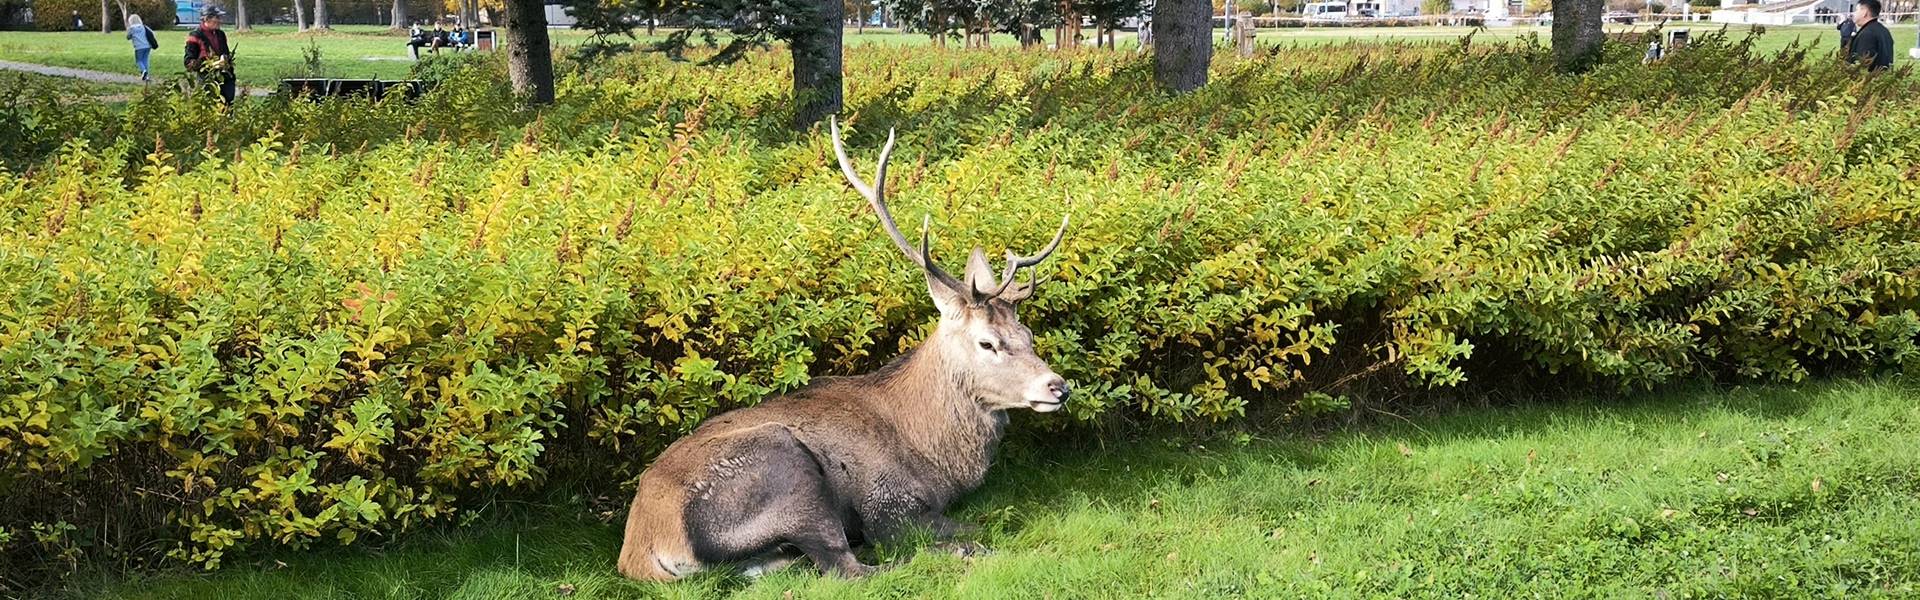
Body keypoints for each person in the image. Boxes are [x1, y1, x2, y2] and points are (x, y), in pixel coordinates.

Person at [184, 8, 236, 104]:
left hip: (225, 80)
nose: (220, 20)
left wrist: (225, 59)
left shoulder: (220, 34)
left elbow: (226, 53)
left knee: (227, 109)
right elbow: (188, 63)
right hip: (207, 80)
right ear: (207, 19)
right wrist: (211, 65)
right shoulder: (195, 35)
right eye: (217, 18)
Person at [1849, 0, 1893, 71]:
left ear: (1864, 12)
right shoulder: (1884, 30)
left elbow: (1862, 64)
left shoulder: (1867, 34)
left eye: (1856, 10)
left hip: (1869, 79)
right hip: (1883, 78)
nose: (1854, 13)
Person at [126, 14, 158, 81]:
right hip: (147, 46)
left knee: (139, 60)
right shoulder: (144, 27)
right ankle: (147, 75)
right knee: (145, 60)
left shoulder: (132, 29)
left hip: (138, 47)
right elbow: (152, 33)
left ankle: (143, 71)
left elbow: (128, 37)